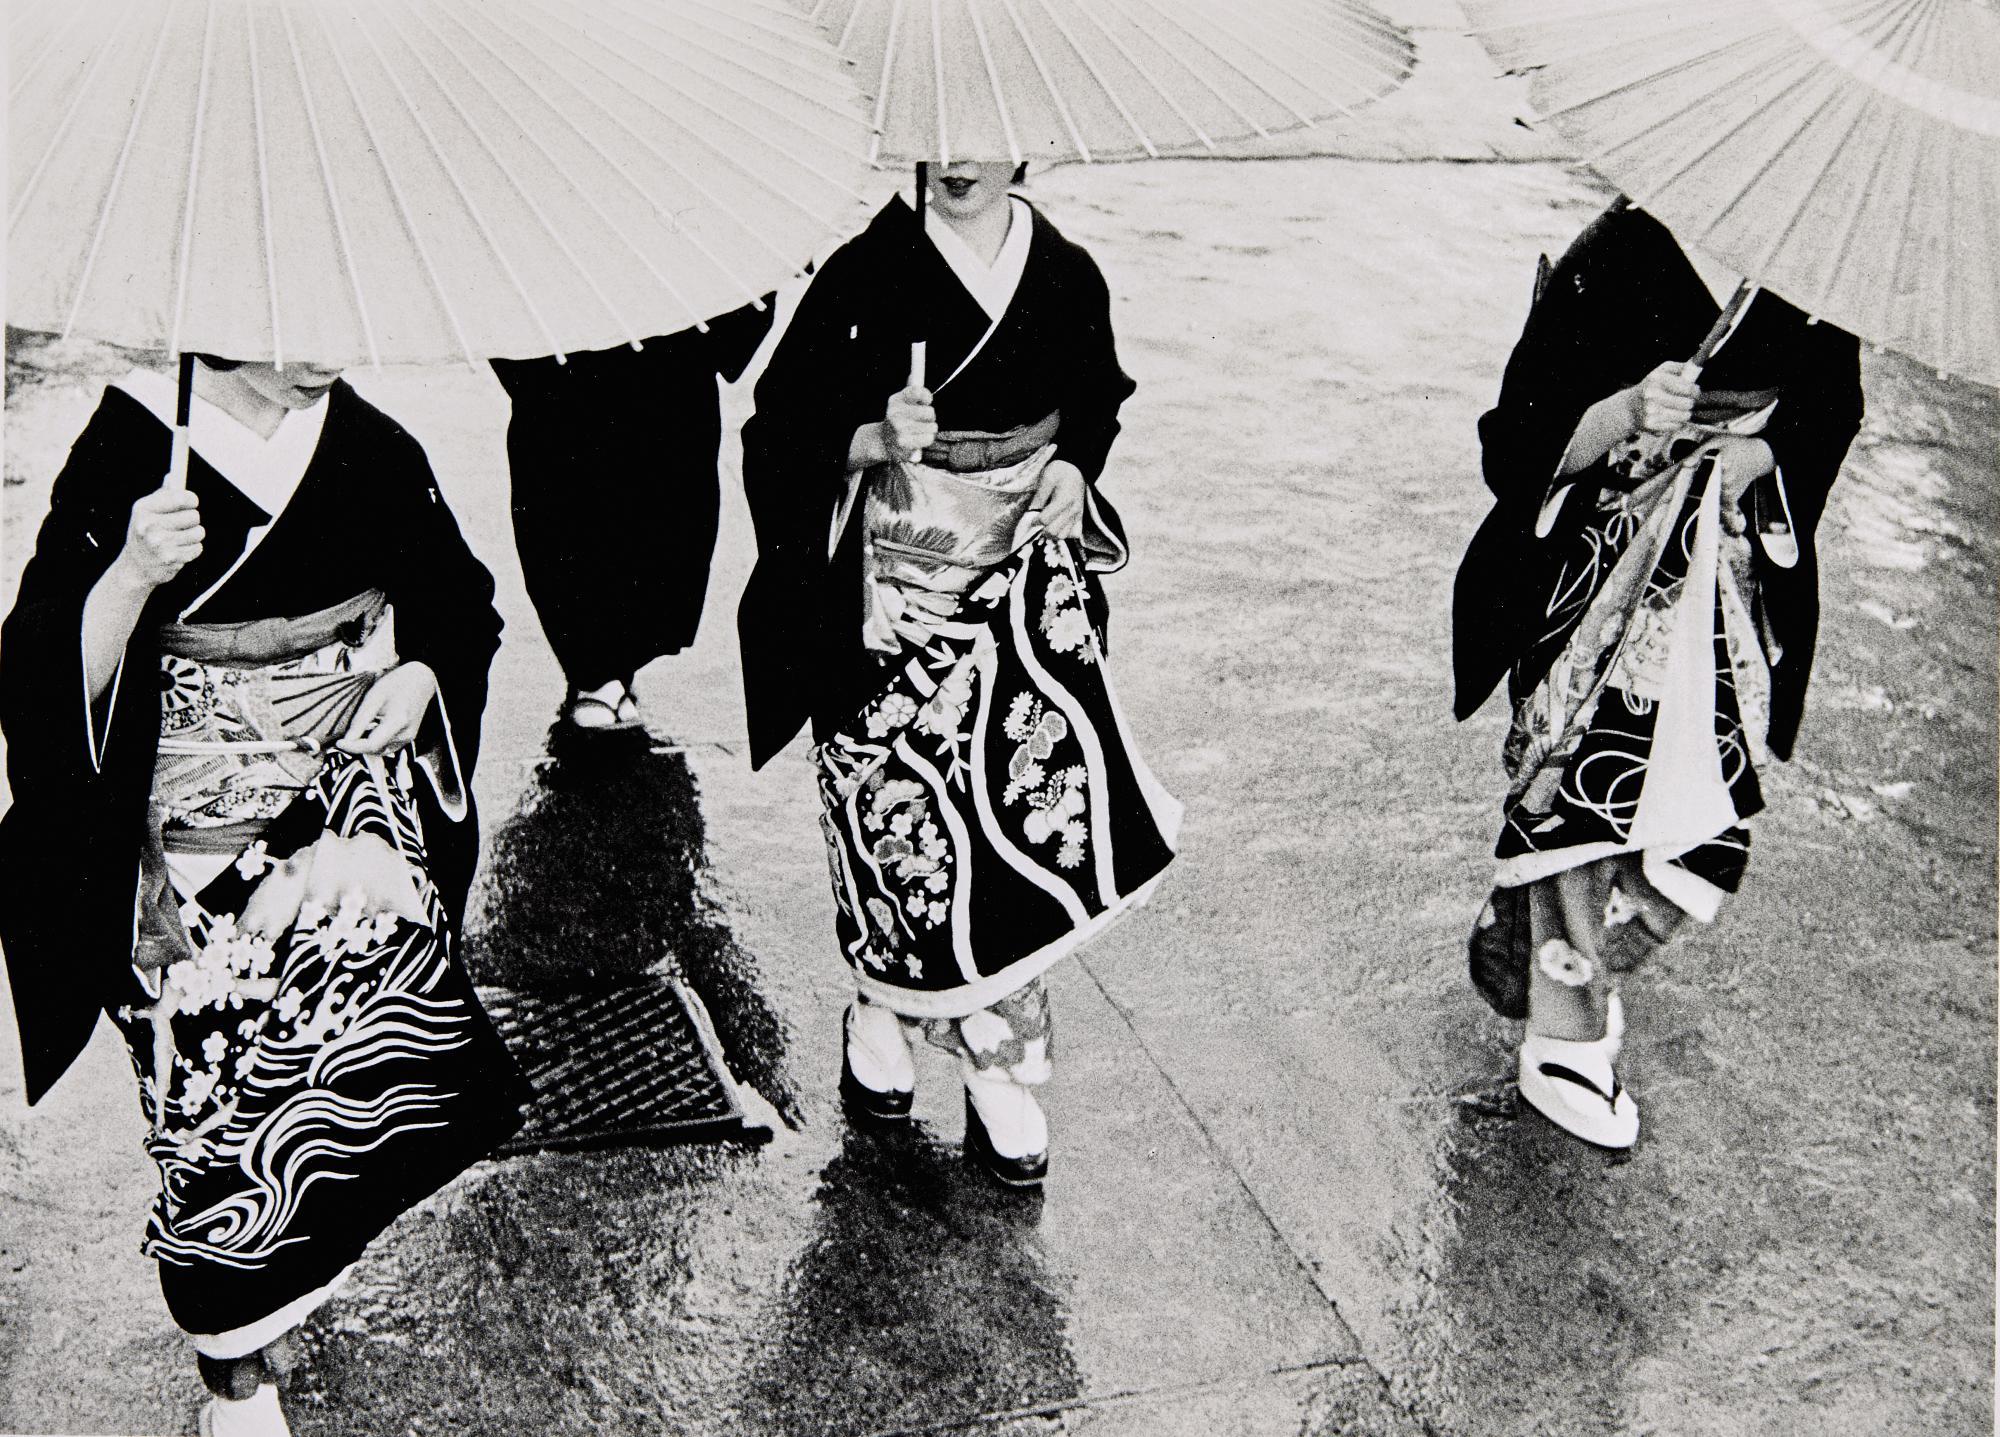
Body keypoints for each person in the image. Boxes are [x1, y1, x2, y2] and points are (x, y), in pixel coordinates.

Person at [0, 357, 530, 1435]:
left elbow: (456, 604)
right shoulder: (131, 446)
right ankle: (234, 1377)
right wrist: (131, 577)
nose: (320, 348)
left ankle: (284, 1287)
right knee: (208, 1115)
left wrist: (419, 678)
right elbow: (38, 671)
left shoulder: (374, 445)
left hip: (337, 827)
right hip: (184, 855)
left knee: (343, 1081)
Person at [738, 161, 1181, 1188]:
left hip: (1014, 592)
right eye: (939, 132)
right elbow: (774, 429)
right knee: (895, 831)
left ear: (1022, 145)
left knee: (1011, 836)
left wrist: (1074, 470)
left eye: (984, 134)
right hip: (885, 599)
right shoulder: (860, 273)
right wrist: (867, 439)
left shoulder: (1063, 271)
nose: (960, 155)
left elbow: (1095, 401)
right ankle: (879, 1002)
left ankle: (995, 1066)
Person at [1453, 198, 1864, 1148]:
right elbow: (1511, 443)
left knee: (1704, 821)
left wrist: (1758, 451)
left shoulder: (1814, 255)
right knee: (1582, 807)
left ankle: (1542, 939)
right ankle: (1566, 1034)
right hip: (1595, 576)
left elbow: (1830, 409)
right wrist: (1630, 410)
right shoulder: (1626, 248)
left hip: (1719, 575)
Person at [490, 300, 773, 731]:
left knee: (661, 540)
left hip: (670, 388)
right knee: (569, 535)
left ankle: (613, 670)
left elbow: (733, 339)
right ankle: (594, 674)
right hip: (567, 387)